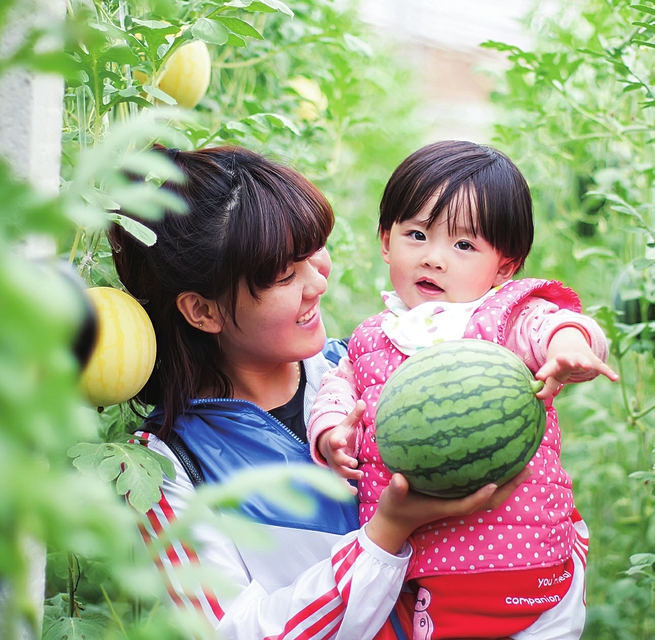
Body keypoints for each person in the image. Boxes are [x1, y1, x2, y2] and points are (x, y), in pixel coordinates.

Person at [110, 144, 527, 640]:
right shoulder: (161, 468)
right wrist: (385, 533)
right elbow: (235, 632)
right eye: (286, 275)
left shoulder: (374, 374)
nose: (317, 283)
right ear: (202, 310)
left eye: (313, 252)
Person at [307, 140, 619, 640]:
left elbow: (553, 324)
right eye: (416, 234)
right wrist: (330, 435)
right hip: (424, 570)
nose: (434, 258)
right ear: (385, 240)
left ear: (504, 266)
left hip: (526, 560)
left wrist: (571, 346)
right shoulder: (370, 338)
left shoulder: (504, 319)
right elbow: (338, 393)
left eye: (464, 245)